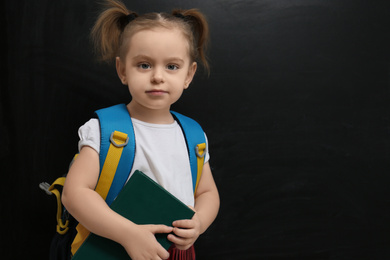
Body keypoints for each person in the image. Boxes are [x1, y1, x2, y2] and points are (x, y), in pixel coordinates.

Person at [61, 0, 220, 259]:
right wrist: (128, 234)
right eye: (144, 65)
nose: (158, 76)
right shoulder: (105, 131)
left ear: (189, 75)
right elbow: (74, 193)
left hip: (175, 250)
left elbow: (207, 192)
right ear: (122, 70)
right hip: (115, 246)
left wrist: (199, 223)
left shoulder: (193, 135)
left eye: (172, 66)